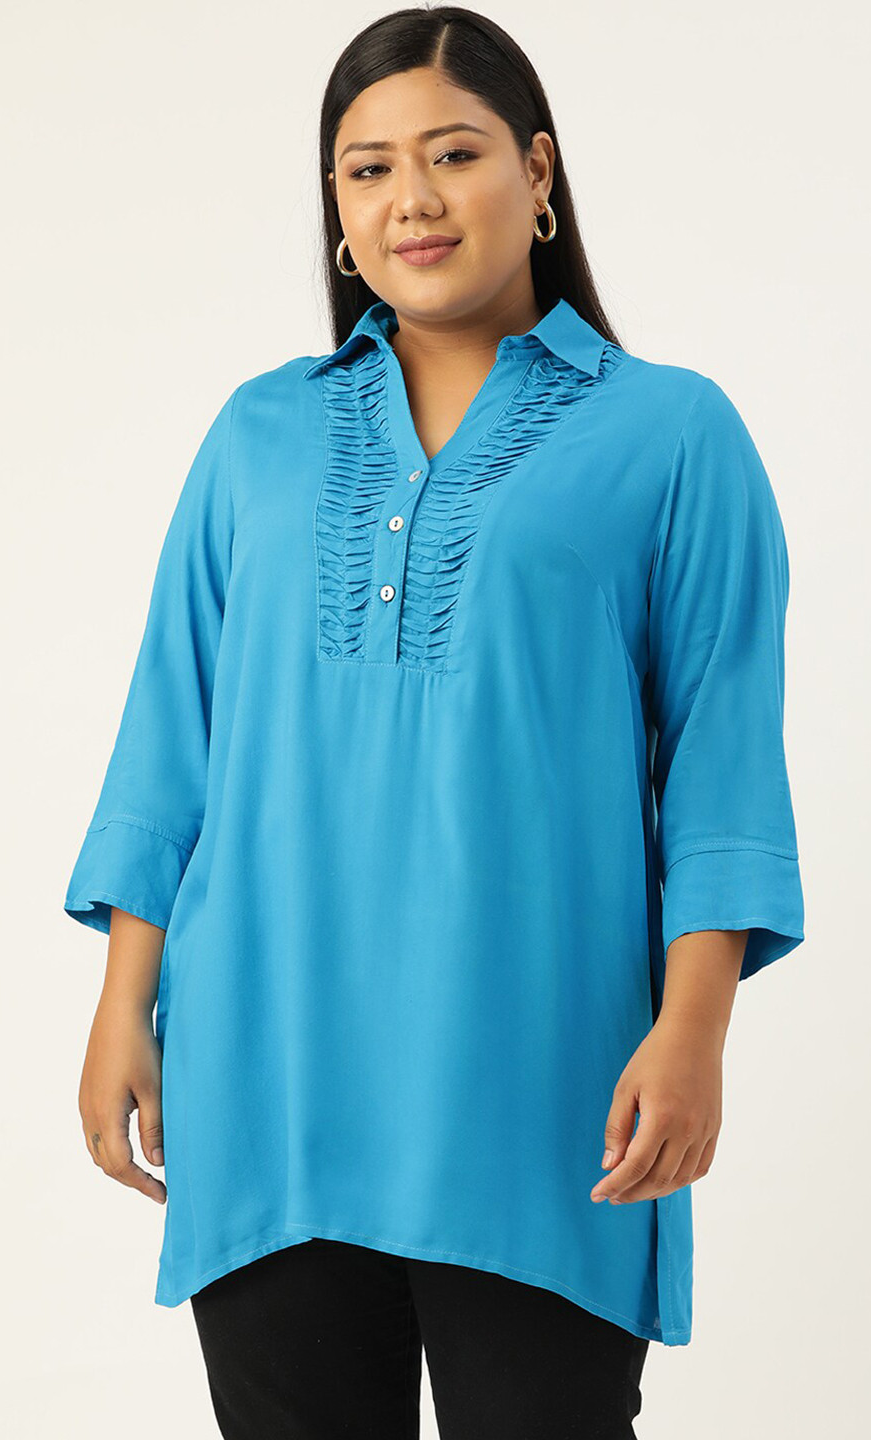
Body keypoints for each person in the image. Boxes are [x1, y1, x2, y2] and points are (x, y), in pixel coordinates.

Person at [65, 7, 805, 1437]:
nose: (412, 198)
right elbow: (172, 731)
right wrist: (121, 1007)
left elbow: (723, 759)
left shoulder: (672, 434)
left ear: (539, 173)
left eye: (454, 154)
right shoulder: (259, 434)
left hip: (544, 1085)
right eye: (368, 169)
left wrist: (695, 1027)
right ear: (338, 211)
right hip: (268, 1072)